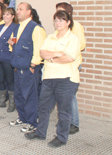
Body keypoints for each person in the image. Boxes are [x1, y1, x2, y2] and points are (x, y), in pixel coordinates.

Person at [25, 10, 80, 148]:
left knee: (63, 111)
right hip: (49, 78)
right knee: (43, 107)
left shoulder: (73, 38)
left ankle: (61, 137)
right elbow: (42, 52)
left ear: (68, 22)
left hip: (66, 79)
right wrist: (57, 54)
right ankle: (40, 132)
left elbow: (69, 58)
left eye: (61, 20)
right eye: (56, 20)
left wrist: (51, 58)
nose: (58, 23)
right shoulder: (50, 37)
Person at [9, 2, 46, 133]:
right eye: (17, 9)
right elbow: (12, 43)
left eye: (21, 9)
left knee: (30, 96)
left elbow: (39, 49)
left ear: (29, 12)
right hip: (17, 68)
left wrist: (33, 65)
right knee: (19, 95)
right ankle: (23, 117)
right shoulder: (17, 27)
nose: (18, 11)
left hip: (29, 69)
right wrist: (11, 45)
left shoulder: (36, 28)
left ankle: (32, 122)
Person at [56, 2, 86, 135]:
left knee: (70, 96)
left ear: (68, 13)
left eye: (60, 11)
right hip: (61, 64)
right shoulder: (59, 28)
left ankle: (74, 123)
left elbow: (81, 45)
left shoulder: (76, 26)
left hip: (72, 64)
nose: (57, 15)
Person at [0, 8, 18, 111]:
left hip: (8, 58)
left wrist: (13, 41)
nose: (5, 16)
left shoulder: (15, 27)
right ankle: (1, 101)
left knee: (10, 80)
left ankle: (12, 103)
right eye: (4, 14)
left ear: (13, 16)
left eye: (8, 14)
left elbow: (16, 40)